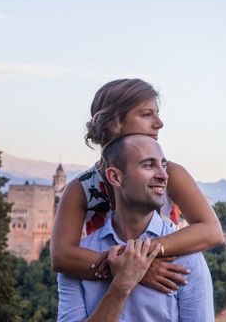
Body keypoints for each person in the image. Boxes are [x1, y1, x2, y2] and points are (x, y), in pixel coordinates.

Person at [51, 79, 223, 293]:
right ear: (114, 123)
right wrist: (132, 270)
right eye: (146, 114)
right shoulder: (81, 188)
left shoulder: (171, 174)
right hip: (102, 297)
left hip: (164, 295)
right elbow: (61, 256)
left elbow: (212, 232)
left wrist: (140, 257)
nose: (159, 123)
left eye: (157, 114)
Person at [57, 134, 214, 321]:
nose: (163, 175)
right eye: (148, 165)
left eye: (163, 165)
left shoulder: (187, 258)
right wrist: (121, 286)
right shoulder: (79, 259)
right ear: (115, 177)